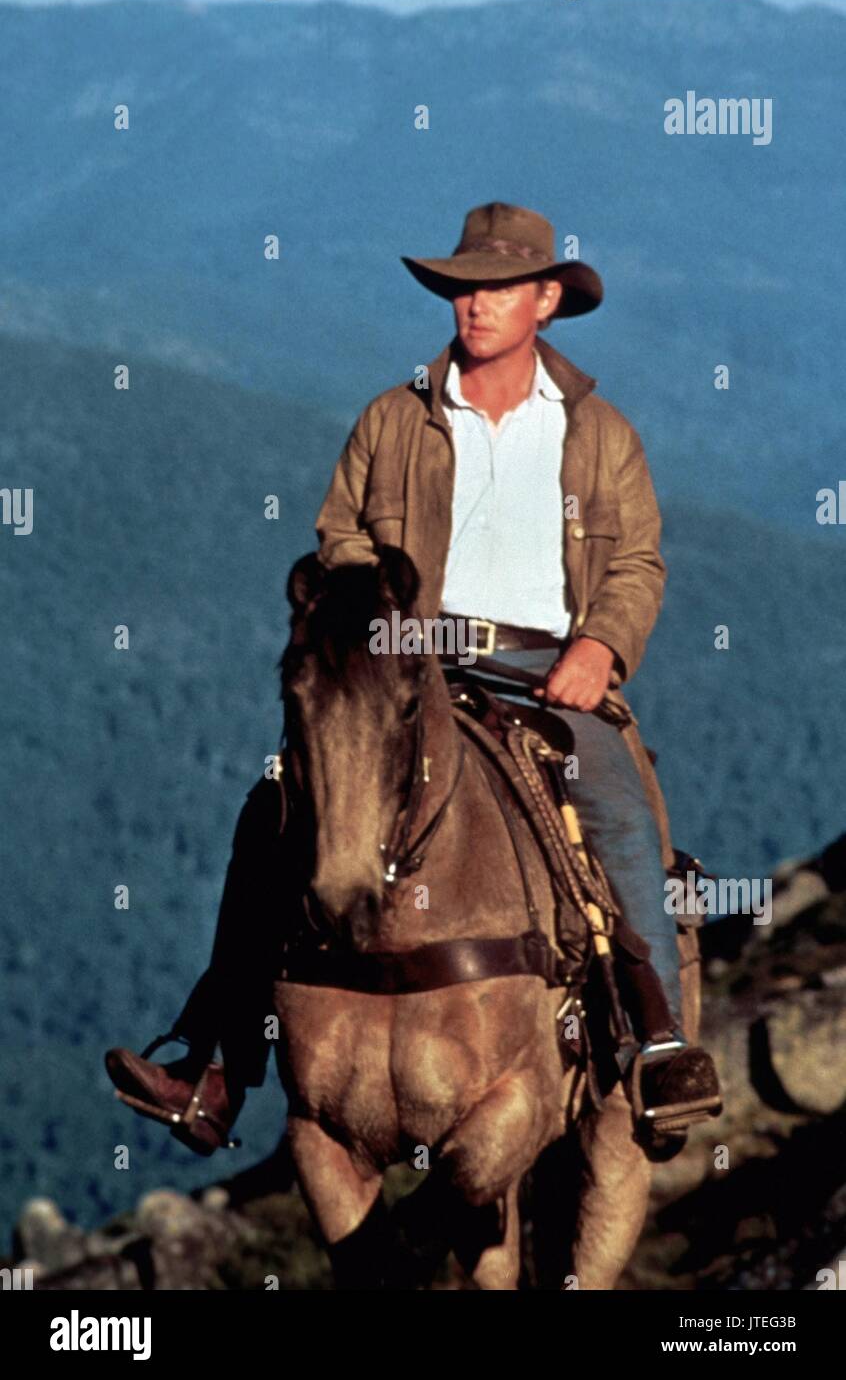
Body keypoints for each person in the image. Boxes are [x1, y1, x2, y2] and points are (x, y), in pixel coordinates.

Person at [106, 201, 721, 1153]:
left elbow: (637, 561)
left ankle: (657, 1041)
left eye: (498, 289)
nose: (474, 306)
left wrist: (599, 647)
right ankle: (212, 1056)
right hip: (403, 663)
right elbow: (339, 533)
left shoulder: (598, 434)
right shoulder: (393, 417)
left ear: (546, 301)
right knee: (271, 812)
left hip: (544, 666)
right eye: (462, 289)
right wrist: (372, 612)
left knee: (620, 809)